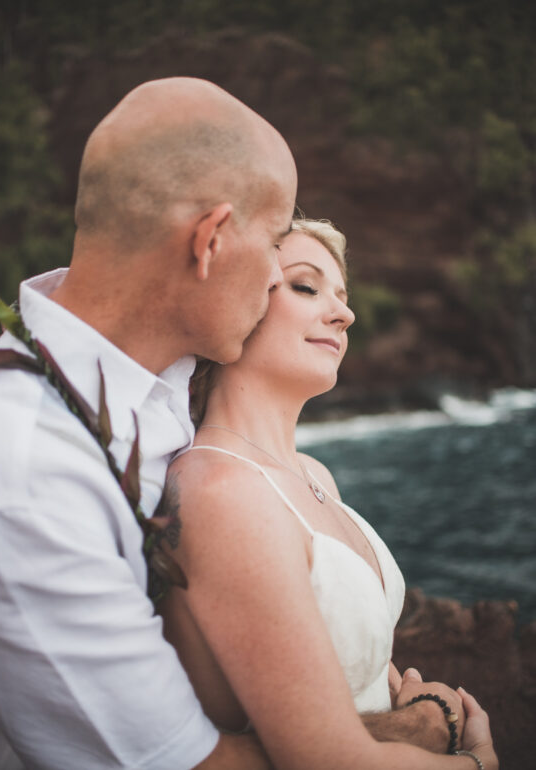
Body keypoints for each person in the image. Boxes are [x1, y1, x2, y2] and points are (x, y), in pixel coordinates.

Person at [0, 76, 297, 770]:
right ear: (211, 240)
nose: (278, 276)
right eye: (276, 241)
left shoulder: (173, 378)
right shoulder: (26, 472)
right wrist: (412, 738)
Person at [161, 218, 499, 770]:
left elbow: (364, 669)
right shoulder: (221, 490)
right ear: (234, 300)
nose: (345, 313)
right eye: (305, 286)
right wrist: (479, 762)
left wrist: (424, 709)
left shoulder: (312, 474)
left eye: (342, 296)